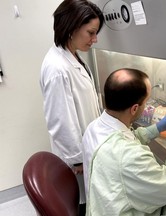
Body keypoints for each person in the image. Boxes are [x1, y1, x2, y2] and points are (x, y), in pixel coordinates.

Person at [82, 68, 166, 216]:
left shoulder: (93, 128)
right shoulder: (129, 156)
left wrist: (157, 128)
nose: (147, 106)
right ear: (134, 109)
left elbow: (125, 138)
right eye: (146, 102)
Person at [39, 0, 104, 215]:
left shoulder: (71, 56)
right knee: (80, 205)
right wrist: (77, 159)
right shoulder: (57, 68)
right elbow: (60, 121)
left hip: (86, 149)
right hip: (77, 161)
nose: (95, 39)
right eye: (91, 33)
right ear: (71, 27)